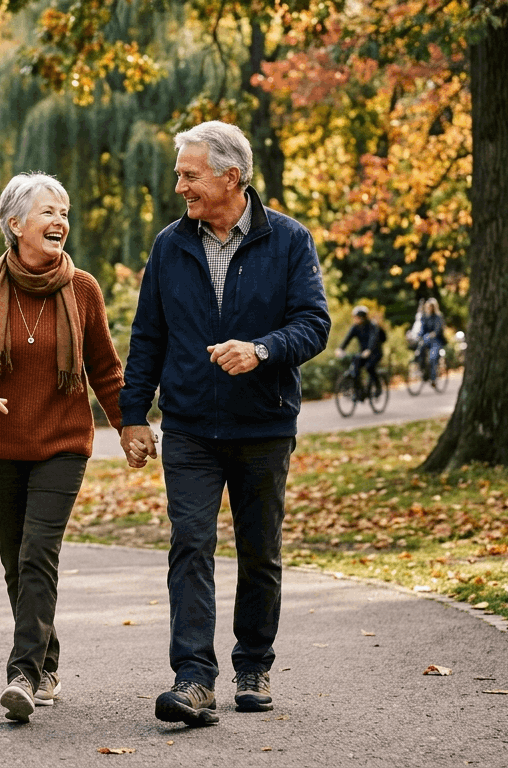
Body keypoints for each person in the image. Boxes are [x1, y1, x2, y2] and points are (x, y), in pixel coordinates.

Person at [118, 121, 330, 726]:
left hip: (263, 426)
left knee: (260, 552)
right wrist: (134, 416)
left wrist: (261, 350)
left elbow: (314, 324)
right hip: (189, 428)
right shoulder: (170, 246)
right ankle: (193, 678)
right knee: (190, 545)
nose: (179, 186)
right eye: (180, 174)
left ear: (231, 176)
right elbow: (148, 337)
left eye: (189, 175)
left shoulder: (289, 240)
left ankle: (254, 664)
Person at [0, 172, 125, 723]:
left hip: (62, 444)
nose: (60, 221)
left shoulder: (83, 289)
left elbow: (105, 370)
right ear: (15, 223)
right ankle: (46, 662)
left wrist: (130, 426)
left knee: (38, 553)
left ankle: (21, 674)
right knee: (15, 561)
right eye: (48, 211)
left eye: (64, 212)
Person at [336, 305, 383, 400]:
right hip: (363, 353)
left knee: (370, 367)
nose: (355, 319)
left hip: (375, 353)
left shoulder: (372, 326)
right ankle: (358, 392)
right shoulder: (355, 327)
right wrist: (340, 348)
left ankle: (378, 388)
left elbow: (373, 338)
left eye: (356, 317)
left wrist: (369, 350)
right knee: (355, 368)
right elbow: (348, 338)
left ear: (362, 317)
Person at [419, 298, 445, 382]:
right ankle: (423, 371)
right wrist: (419, 336)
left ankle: (433, 378)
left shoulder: (438, 317)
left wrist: (432, 334)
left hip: (436, 340)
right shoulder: (425, 317)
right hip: (427, 340)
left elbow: (437, 330)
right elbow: (422, 330)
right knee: (419, 352)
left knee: (433, 357)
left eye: (432, 306)